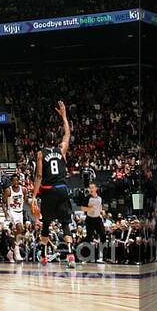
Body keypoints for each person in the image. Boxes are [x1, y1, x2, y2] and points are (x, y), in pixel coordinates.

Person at [30, 101, 76, 268]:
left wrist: (34, 196)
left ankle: (43, 256)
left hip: (49, 191)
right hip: (62, 189)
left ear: (44, 141)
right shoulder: (61, 149)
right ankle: (71, 255)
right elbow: (67, 134)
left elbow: (40, 175)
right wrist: (64, 116)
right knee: (65, 223)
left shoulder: (41, 153)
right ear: (55, 141)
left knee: (47, 223)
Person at [81, 182, 105, 262]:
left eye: (92, 187)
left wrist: (101, 212)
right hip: (90, 219)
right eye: (89, 188)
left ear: (96, 189)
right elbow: (82, 208)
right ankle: (87, 257)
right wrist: (89, 209)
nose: (90, 189)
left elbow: (101, 206)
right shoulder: (87, 198)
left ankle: (101, 257)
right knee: (88, 237)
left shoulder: (100, 198)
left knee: (103, 236)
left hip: (98, 219)